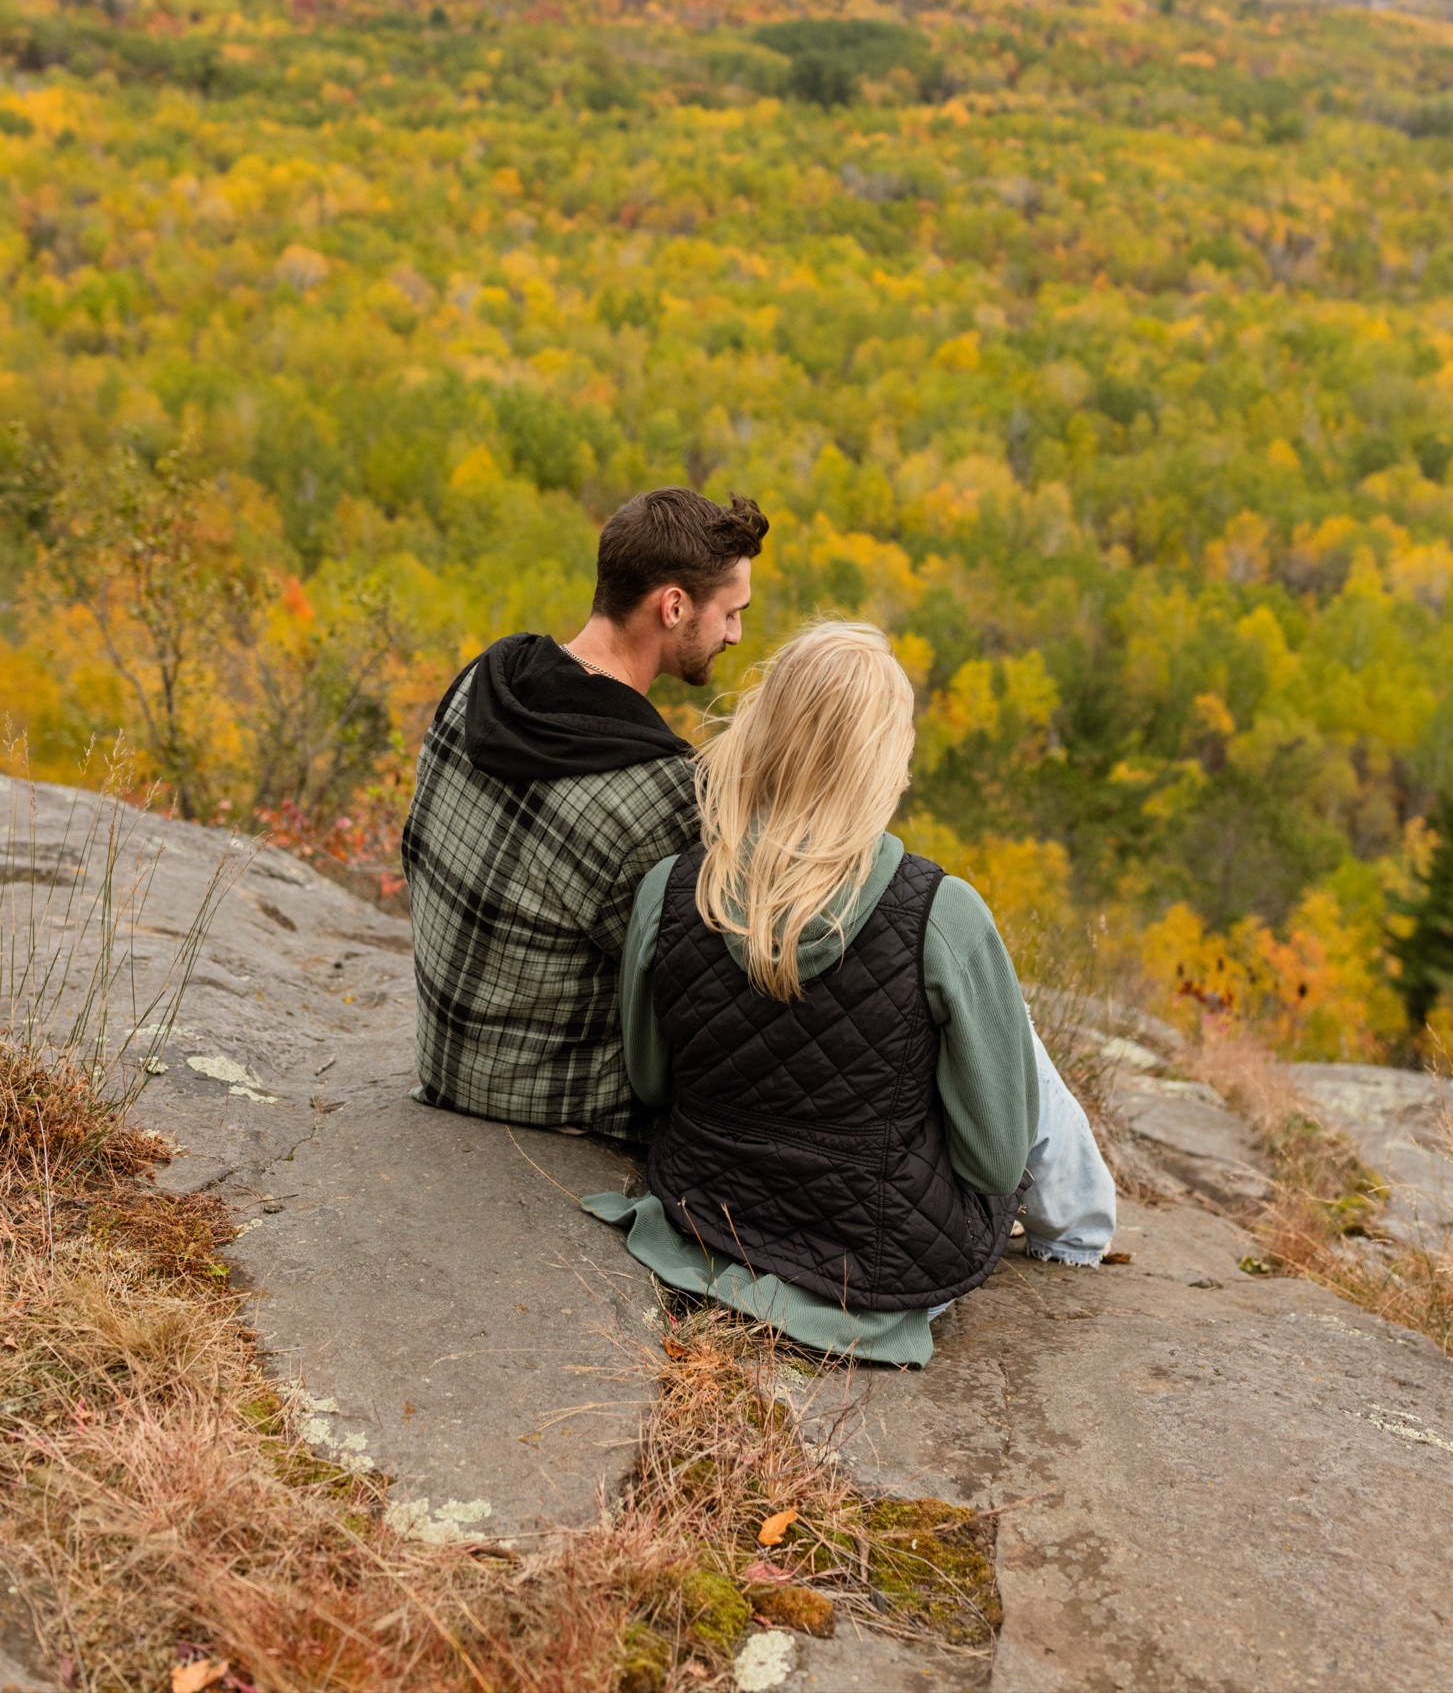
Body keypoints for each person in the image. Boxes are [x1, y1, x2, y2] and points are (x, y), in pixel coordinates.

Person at [584, 619, 1116, 1364]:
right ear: (882, 762)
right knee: (1008, 1029)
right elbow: (995, 1166)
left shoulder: (669, 890)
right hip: (878, 1269)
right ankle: (1080, 1243)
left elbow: (651, 1080)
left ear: (764, 731)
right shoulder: (941, 911)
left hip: (706, 1224)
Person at [403, 486, 768, 1138]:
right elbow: (699, 999)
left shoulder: (484, 682)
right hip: (557, 1107)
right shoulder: (656, 793)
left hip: (443, 1059)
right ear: (673, 605)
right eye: (732, 612)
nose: (736, 633)